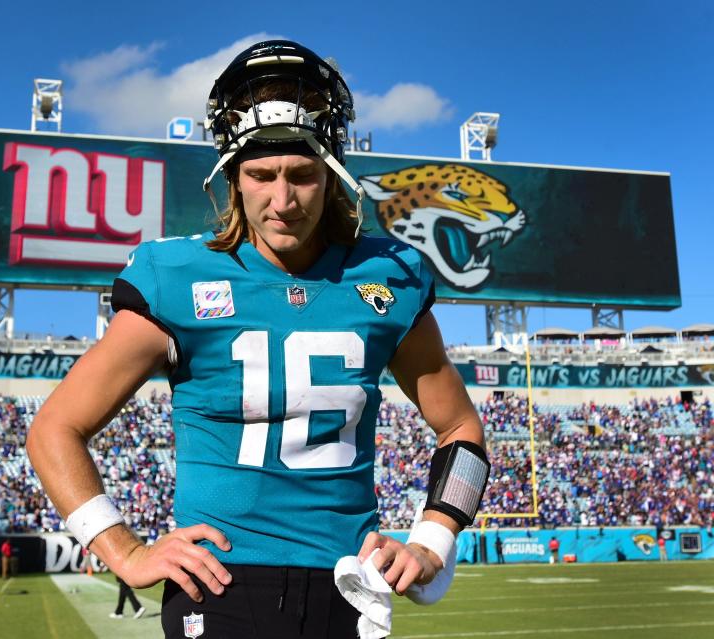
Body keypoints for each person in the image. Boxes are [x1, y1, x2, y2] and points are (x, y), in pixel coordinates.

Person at [27, 39, 489, 639]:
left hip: (348, 583)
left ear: (332, 174)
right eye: (260, 174)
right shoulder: (175, 278)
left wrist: (431, 541)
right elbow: (53, 429)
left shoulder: (388, 276)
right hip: (220, 584)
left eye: (302, 175)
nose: (282, 199)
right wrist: (123, 550)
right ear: (231, 175)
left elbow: (462, 430)